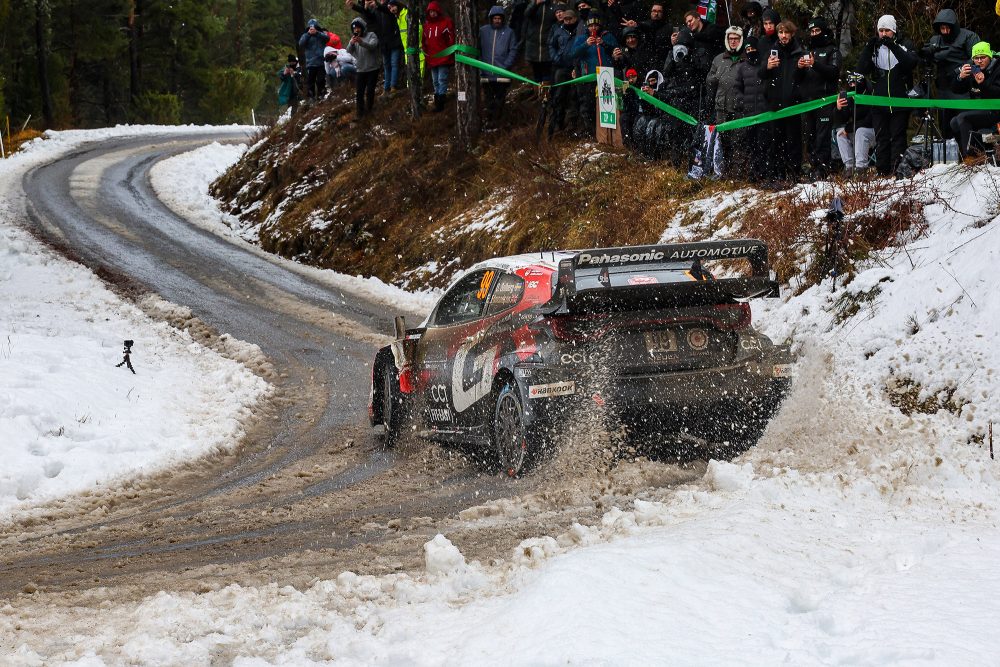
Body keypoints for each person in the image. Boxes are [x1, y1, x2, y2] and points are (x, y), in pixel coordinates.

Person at [855, 15, 918, 176]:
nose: (883, 34)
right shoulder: (875, 49)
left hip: (900, 101)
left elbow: (911, 63)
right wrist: (868, 48)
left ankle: (898, 170)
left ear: (894, 31)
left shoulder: (904, 44)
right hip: (879, 102)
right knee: (882, 138)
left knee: (898, 137)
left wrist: (893, 46)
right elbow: (861, 70)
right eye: (881, 30)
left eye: (887, 30)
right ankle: (882, 172)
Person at [922, 9, 979, 140]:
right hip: (943, 89)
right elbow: (925, 60)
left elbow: (977, 60)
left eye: (948, 28)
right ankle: (948, 151)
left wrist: (958, 70)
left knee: (964, 125)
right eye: (942, 28)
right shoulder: (935, 40)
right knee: (945, 127)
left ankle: (969, 151)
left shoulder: (969, 36)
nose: (946, 31)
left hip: (963, 89)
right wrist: (927, 55)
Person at [760, 20, 805, 184]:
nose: (783, 36)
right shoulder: (771, 52)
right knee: (776, 142)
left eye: (786, 32)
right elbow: (760, 74)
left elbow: (805, 80)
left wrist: (801, 68)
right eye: (781, 32)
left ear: (792, 34)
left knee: (794, 142)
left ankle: (794, 175)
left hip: (793, 105)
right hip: (775, 106)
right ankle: (777, 175)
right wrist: (767, 66)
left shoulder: (799, 52)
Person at [799, 16, 841, 179]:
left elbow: (834, 72)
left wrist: (815, 64)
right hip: (808, 101)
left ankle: (822, 169)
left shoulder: (833, 50)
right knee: (809, 136)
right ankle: (813, 166)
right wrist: (799, 68)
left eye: (817, 30)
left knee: (822, 137)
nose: (814, 34)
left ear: (823, 31)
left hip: (825, 100)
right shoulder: (807, 51)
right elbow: (799, 79)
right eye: (812, 31)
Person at [950, 42, 1000, 159]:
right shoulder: (972, 69)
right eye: (976, 58)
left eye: (983, 57)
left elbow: (997, 93)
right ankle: (967, 154)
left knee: (963, 118)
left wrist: (983, 84)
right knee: (954, 122)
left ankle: (971, 158)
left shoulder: (997, 69)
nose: (979, 61)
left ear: (990, 57)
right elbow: (956, 90)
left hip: (995, 110)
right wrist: (960, 78)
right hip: (979, 110)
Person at [572, 13, 619, 134]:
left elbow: (616, 51)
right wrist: (585, 44)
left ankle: (607, 133)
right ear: (587, 26)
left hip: (606, 77)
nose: (593, 28)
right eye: (591, 25)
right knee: (588, 105)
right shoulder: (582, 38)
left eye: (596, 25)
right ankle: (591, 132)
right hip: (589, 77)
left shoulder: (607, 36)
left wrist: (603, 43)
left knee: (607, 105)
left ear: (600, 25)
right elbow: (573, 53)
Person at [706, 26, 744, 175]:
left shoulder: (745, 58)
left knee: (738, 140)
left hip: (739, 107)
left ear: (741, 40)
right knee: (722, 140)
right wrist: (715, 78)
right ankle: (722, 170)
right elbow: (709, 80)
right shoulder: (719, 59)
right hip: (721, 107)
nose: (733, 41)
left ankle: (737, 172)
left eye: (736, 38)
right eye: (730, 38)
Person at [347, 0, 404, 95]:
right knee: (386, 66)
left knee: (394, 64)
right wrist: (355, 6)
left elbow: (387, 10)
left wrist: (377, 5)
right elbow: (368, 16)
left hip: (394, 41)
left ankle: (393, 86)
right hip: (383, 43)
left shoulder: (390, 6)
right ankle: (386, 88)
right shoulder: (376, 10)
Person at [733, 36, 767, 181]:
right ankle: (753, 172)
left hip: (764, 113)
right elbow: (737, 88)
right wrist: (742, 102)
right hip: (748, 113)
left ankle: (764, 172)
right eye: (748, 49)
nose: (751, 51)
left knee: (764, 144)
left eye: (753, 48)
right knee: (751, 145)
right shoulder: (742, 67)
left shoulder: (764, 65)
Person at [479, 5, 520, 126]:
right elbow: (477, 49)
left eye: (499, 18)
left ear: (502, 19)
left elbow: (513, 50)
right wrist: (481, 65)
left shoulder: (509, 32)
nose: (497, 20)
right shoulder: (483, 31)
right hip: (486, 74)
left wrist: (506, 65)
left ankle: (497, 122)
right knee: (488, 99)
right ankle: (489, 122)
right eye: (495, 18)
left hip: (502, 74)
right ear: (491, 18)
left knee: (500, 100)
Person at [548, 8, 582, 136]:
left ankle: (573, 124)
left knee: (574, 96)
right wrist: (556, 58)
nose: (567, 21)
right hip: (561, 68)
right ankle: (558, 122)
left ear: (575, 19)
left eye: (570, 19)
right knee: (559, 95)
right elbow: (551, 45)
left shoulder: (580, 30)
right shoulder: (558, 31)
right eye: (565, 19)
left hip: (576, 68)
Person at [835, 75, 875, 176]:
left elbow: (869, 121)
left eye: (854, 83)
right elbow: (842, 119)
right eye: (850, 83)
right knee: (840, 133)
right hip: (857, 133)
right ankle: (849, 167)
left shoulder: (871, 95)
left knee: (861, 131)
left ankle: (861, 168)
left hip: (874, 132)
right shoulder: (851, 97)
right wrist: (839, 108)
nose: (852, 85)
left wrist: (848, 128)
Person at [347, 17, 382, 118]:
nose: (356, 30)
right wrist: (351, 43)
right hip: (360, 69)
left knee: (370, 91)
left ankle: (369, 110)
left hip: (372, 68)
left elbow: (373, 46)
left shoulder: (371, 35)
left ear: (362, 27)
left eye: (358, 28)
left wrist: (361, 42)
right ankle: (359, 113)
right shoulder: (354, 38)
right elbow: (348, 51)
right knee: (359, 92)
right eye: (354, 28)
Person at [423, 1, 455, 112]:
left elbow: (451, 39)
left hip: (444, 57)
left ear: (438, 11)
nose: (432, 13)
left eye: (434, 11)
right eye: (430, 12)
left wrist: (449, 52)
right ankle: (437, 101)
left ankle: (441, 102)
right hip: (432, 58)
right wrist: (426, 53)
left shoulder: (446, 22)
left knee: (442, 79)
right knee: (435, 81)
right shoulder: (426, 26)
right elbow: (424, 41)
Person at [620, 2, 672, 69]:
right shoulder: (644, 25)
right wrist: (636, 25)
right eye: (654, 11)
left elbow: (653, 27)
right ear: (651, 12)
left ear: (663, 13)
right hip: (646, 61)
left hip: (664, 61)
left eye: (659, 11)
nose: (656, 13)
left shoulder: (668, 27)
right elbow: (647, 26)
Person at [523, 0, 559, 84]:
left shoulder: (553, 6)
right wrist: (535, 3)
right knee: (536, 74)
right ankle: (538, 90)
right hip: (533, 46)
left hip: (547, 46)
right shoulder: (533, 4)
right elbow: (527, 14)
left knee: (547, 74)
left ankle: (546, 91)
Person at [299, 19, 331, 101]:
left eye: (314, 27)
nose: (312, 29)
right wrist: (308, 34)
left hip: (321, 61)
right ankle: (311, 97)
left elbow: (327, 39)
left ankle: (321, 95)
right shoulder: (305, 35)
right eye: (311, 27)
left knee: (321, 80)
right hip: (311, 63)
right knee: (311, 81)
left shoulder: (321, 34)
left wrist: (317, 33)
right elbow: (301, 43)